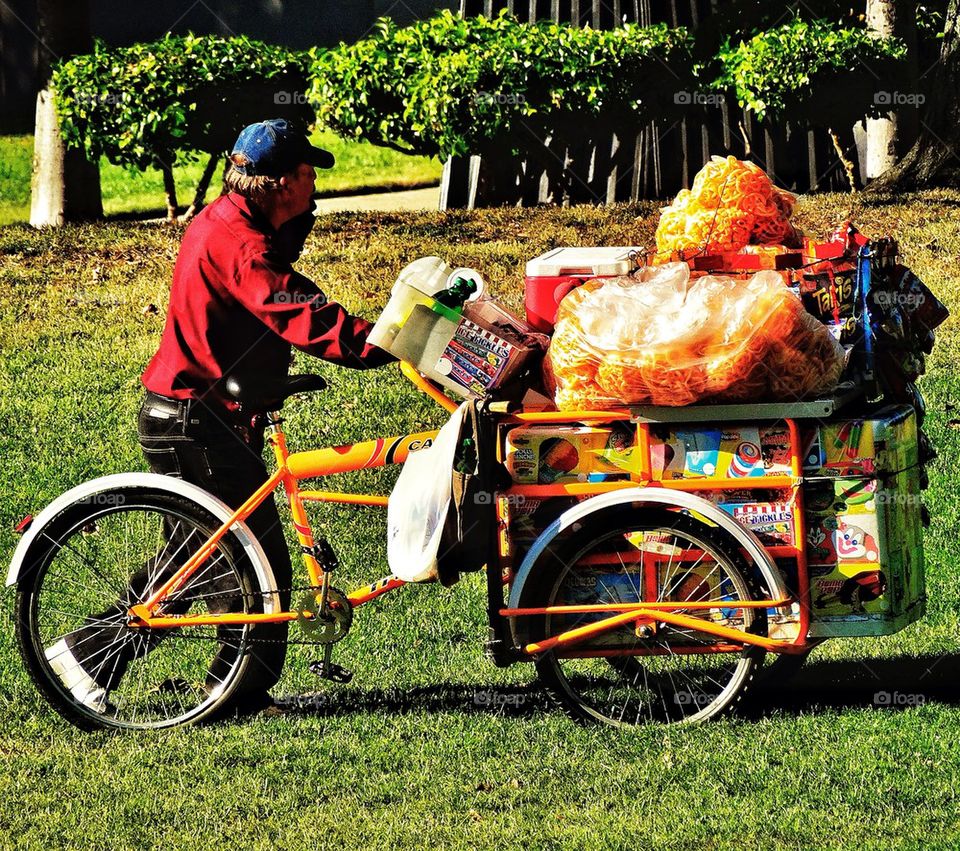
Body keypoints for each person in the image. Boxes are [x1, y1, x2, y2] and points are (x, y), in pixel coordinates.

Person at [45, 119, 396, 714]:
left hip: (191, 413)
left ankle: (96, 660)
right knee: (251, 560)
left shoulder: (233, 220)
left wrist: (294, 217)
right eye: (308, 175)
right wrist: (385, 341)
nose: (316, 186)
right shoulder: (243, 244)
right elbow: (299, 313)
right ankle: (228, 689)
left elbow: (282, 277)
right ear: (281, 182)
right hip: (195, 420)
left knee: (194, 560)